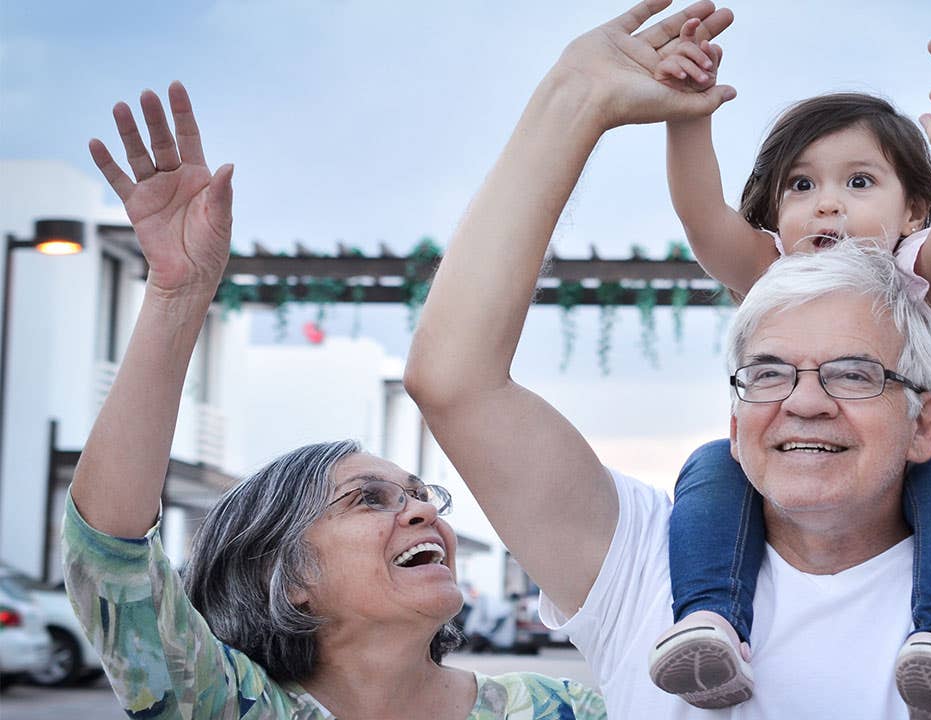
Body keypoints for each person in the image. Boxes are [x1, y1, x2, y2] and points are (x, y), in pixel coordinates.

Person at [406, 1, 931, 717]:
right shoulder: (640, 571)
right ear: (736, 410)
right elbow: (455, 381)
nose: (804, 401)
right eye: (768, 372)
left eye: (854, 372)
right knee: (706, 478)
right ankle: (714, 620)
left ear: (924, 416)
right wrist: (585, 100)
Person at [63, 82, 606, 720]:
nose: (420, 513)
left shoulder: (554, 710)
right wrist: (176, 297)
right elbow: (110, 557)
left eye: (422, 496)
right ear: (287, 579)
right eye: (368, 499)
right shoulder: (226, 707)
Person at [646, 17, 931, 713]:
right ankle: (708, 621)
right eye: (801, 186)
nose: (828, 202)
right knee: (709, 467)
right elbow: (700, 217)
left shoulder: (923, 272)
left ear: (915, 212)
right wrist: (686, 119)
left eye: (860, 181)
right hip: (813, 456)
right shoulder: (773, 273)